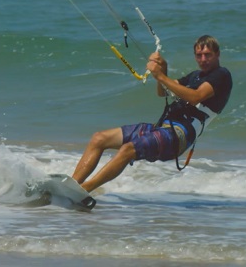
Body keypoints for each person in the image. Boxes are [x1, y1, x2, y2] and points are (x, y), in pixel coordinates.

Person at [71, 35, 233, 192]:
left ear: (217, 54)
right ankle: (71, 186)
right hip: (162, 128)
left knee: (128, 149)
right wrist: (164, 69)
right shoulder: (195, 76)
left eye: (208, 55)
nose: (203, 59)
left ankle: (85, 189)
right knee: (99, 138)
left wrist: (160, 75)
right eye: (199, 55)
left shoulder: (221, 75)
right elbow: (163, 92)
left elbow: (195, 97)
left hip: (180, 135)